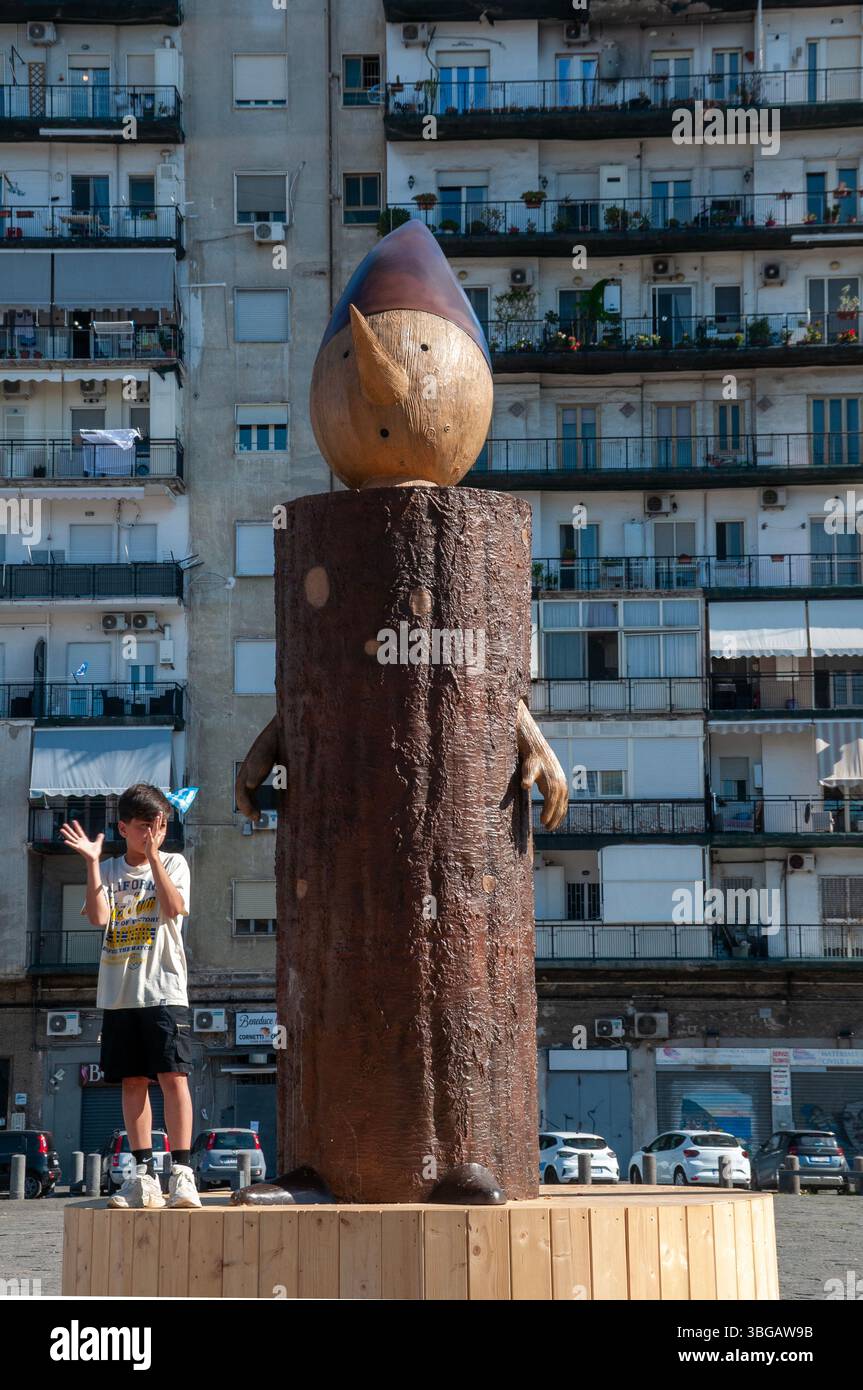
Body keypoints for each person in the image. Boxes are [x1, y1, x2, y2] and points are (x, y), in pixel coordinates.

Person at [61, 783, 201, 1210]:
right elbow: (99, 918)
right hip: (119, 993)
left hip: (164, 989)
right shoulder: (108, 870)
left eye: (160, 826)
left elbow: (173, 908)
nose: (153, 834)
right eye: (144, 827)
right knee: (132, 1082)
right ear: (123, 828)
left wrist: (155, 856)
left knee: (173, 1077)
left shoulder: (174, 862)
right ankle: (143, 1176)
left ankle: (182, 1174)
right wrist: (91, 863)